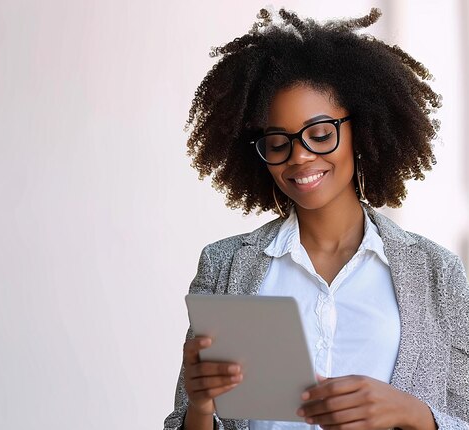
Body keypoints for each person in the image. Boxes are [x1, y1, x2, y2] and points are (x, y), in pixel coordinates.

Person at [163, 7, 469, 430]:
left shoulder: (437, 273)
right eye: (277, 143)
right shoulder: (224, 266)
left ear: (359, 131)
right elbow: (186, 419)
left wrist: (414, 415)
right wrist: (199, 407)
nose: (301, 156)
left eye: (321, 134)